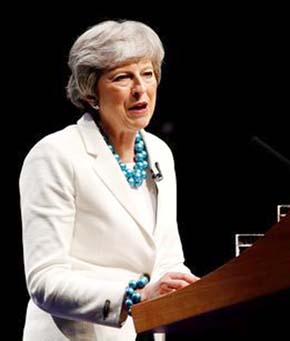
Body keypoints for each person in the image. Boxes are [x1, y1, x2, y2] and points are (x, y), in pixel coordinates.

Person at [19, 20, 199, 340]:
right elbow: (45, 281)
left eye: (147, 73)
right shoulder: (55, 154)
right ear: (91, 93)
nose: (140, 89)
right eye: (122, 77)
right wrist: (135, 297)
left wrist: (196, 291)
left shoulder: (159, 151)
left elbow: (168, 257)